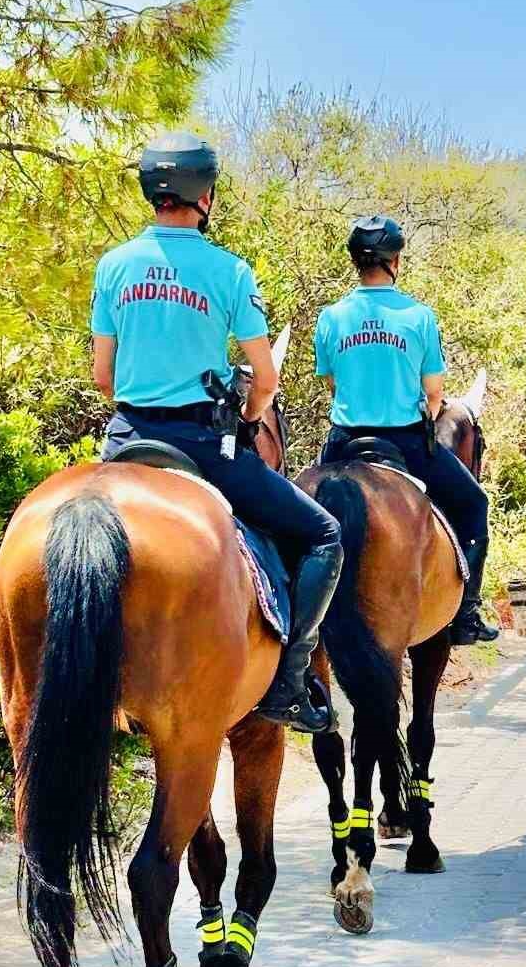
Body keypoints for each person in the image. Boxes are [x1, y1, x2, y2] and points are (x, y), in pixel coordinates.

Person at [93, 132, 343, 731]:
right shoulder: (229, 271)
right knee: (324, 536)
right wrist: (253, 416)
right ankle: (287, 682)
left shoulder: (113, 265)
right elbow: (266, 374)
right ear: (203, 196)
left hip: (125, 442)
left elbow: (103, 377)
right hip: (206, 447)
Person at [315, 215, 498, 643]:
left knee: (302, 512)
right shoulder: (418, 316)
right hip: (406, 442)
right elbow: (435, 393)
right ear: (395, 260)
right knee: (474, 506)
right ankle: (466, 613)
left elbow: (332, 382)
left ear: (356, 263)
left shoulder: (331, 316)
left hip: (343, 445)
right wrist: (425, 408)